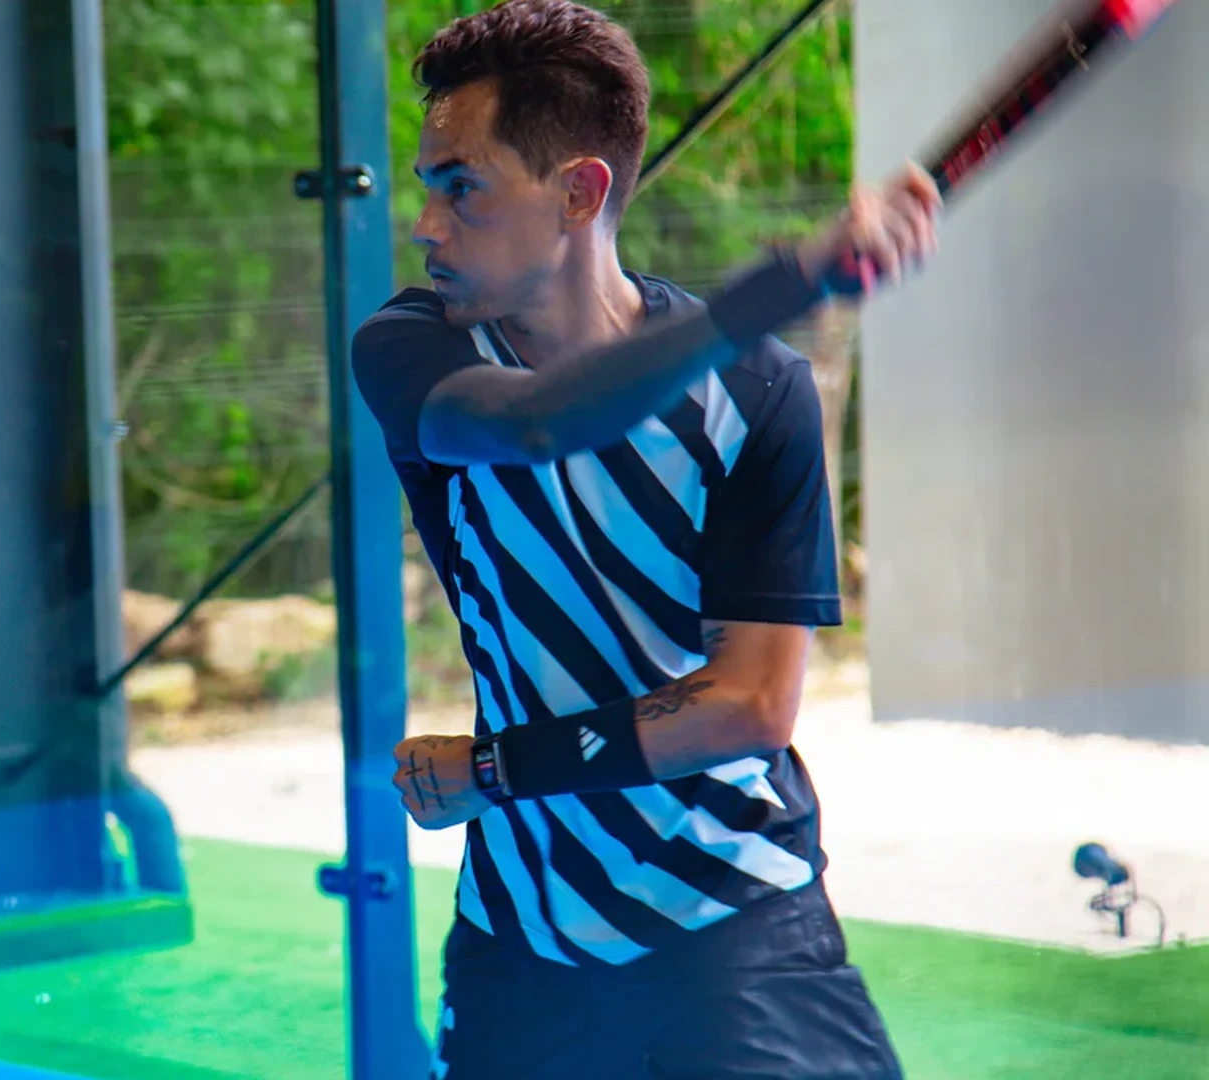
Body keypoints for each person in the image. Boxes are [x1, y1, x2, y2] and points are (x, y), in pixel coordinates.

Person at [349, 2, 940, 1077]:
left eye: (461, 187)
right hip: (522, 938)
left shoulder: (760, 391)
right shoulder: (409, 346)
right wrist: (782, 283)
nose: (427, 224)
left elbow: (750, 706)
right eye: (428, 186)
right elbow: (538, 422)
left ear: (579, 192)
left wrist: (490, 770)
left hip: (738, 920)